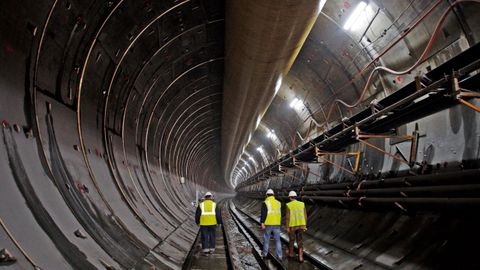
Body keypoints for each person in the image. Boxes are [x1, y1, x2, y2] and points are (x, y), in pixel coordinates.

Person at [260, 189, 282, 260]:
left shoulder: (265, 202)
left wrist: (262, 223)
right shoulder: (278, 203)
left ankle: (265, 254)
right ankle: (279, 255)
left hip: (268, 223)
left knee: (266, 239)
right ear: (273, 195)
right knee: (277, 240)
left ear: (266, 195)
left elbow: (263, 214)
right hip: (277, 224)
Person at [285, 190, 307, 262]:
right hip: (301, 225)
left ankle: (291, 254)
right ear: (295, 197)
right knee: (300, 241)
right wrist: (305, 225)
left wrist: (287, 227)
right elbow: (305, 216)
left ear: (290, 197)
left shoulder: (288, 205)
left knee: (291, 240)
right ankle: (301, 257)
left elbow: (288, 217)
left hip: (292, 226)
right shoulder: (302, 204)